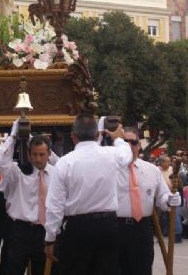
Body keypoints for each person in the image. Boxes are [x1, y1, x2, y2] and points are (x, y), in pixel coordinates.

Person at [44, 114, 132, 275]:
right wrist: (118, 138)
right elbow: (127, 154)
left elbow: (55, 205)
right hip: (107, 226)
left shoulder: (65, 162)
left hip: (78, 228)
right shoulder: (111, 155)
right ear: (98, 135)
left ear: (73, 136)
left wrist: (50, 237)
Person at [115, 130, 181, 275]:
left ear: (138, 145)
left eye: (132, 142)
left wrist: (170, 200)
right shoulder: (110, 169)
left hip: (142, 227)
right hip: (115, 227)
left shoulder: (152, 170)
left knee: (142, 269)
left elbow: (162, 195)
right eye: (124, 142)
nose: (128, 146)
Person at [0, 123, 53, 275]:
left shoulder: (56, 173)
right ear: (28, 154)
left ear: (49, 154)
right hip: (20, 230)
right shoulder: (17, 172)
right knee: (14, 270)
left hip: (44, 231)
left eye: (42, 154)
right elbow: (1, 160)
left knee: (42, 270)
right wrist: (13, 136)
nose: (38, 159)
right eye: (34, 154)